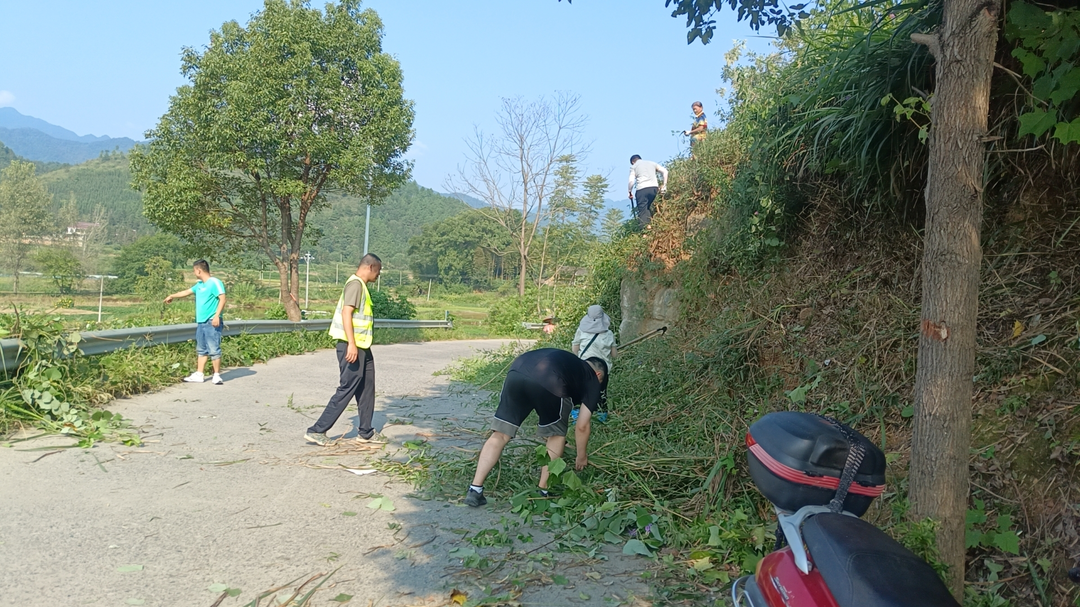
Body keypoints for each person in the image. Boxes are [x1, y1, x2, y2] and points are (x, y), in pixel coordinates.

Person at [464, 348, 607, 507]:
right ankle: (543, 491)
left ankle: (475, 489)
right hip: (551, 381)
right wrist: (581, 457)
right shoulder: (592, 379)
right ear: (599, 375)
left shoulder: (570, 362)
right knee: (556, 435)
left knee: (500, 434)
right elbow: (582, 426)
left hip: (517, 372)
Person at [304, 253, 383, 447]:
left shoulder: (361, 286)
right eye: (378, 271)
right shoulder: (355, 284)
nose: (378, 275)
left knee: (367, 388)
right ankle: (317, 430)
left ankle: (366, 432)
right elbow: (346, 312)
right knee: (347, 388)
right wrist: (352, 344)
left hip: (363, 347)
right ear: (371, 267)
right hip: (352, 346)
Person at [164, 259, 227, 385]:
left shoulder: (214, 282)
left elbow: (222, 298)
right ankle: (199, 374)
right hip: (201, 322)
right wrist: (172, 296)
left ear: (199, 270)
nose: (194, 273)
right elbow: (186, 292)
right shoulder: (199, 285)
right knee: (201, 349)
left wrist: (216, 316)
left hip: (211, 321)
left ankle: (216, 375)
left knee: (214, 348)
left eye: (194, 270)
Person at [571, 305, 616, 413]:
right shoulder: (609, 334)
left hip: (584, 366)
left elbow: (575, 349)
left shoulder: (581, 331)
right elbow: (614, 355)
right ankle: (600, 415)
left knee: (581, 391)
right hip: (602, 369)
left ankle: (577, 415)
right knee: (601, 393)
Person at [628, 155, 669, 226]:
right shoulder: (652, 163)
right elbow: (665, 171)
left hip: (642, 190)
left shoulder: (634, 166)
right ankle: (650, 225)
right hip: (654, 189)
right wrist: (664, 185)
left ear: (633, 162)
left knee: (642, 210)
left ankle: (645, 231)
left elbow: (631, 181)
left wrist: (629, 191)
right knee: (647, 207)